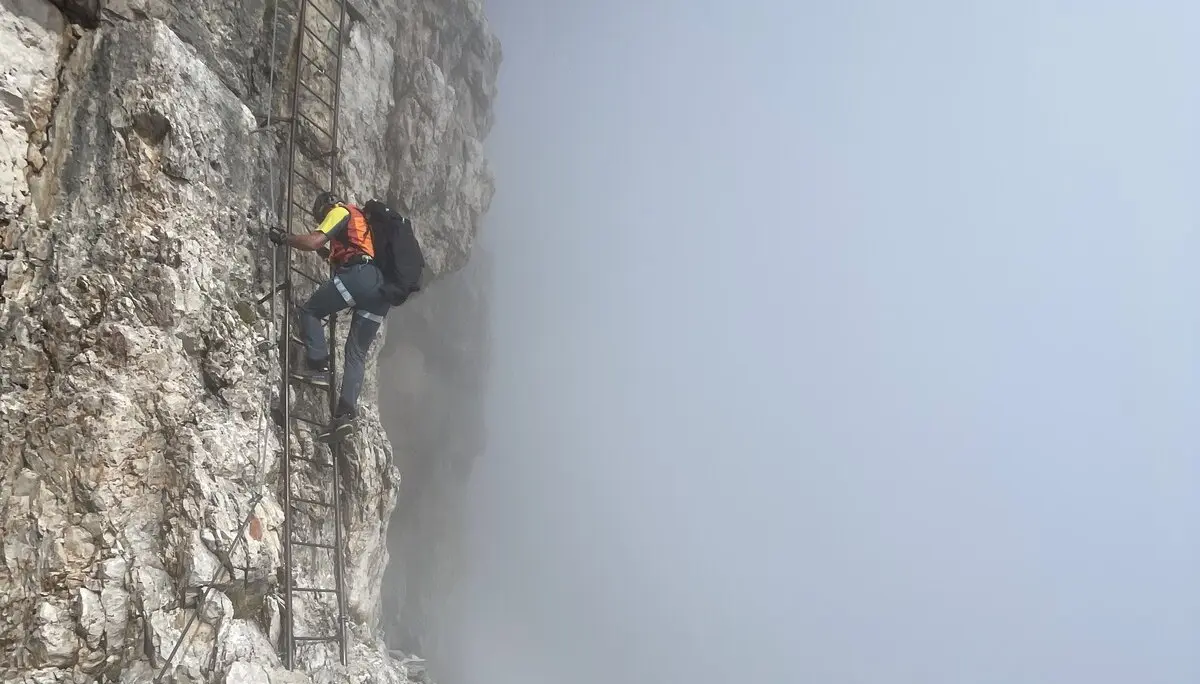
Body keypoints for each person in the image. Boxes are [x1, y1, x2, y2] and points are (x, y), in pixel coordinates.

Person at [269, 191, 390, 442]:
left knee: (310, 311)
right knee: (356, 353)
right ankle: (345, 416)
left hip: (359, 276)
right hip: (380, 291)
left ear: (325, 207)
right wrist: (327, 254)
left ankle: (318, 365)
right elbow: (337, 251)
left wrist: (285, 238)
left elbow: (315, 241)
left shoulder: (340, 211)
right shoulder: (364, 227)